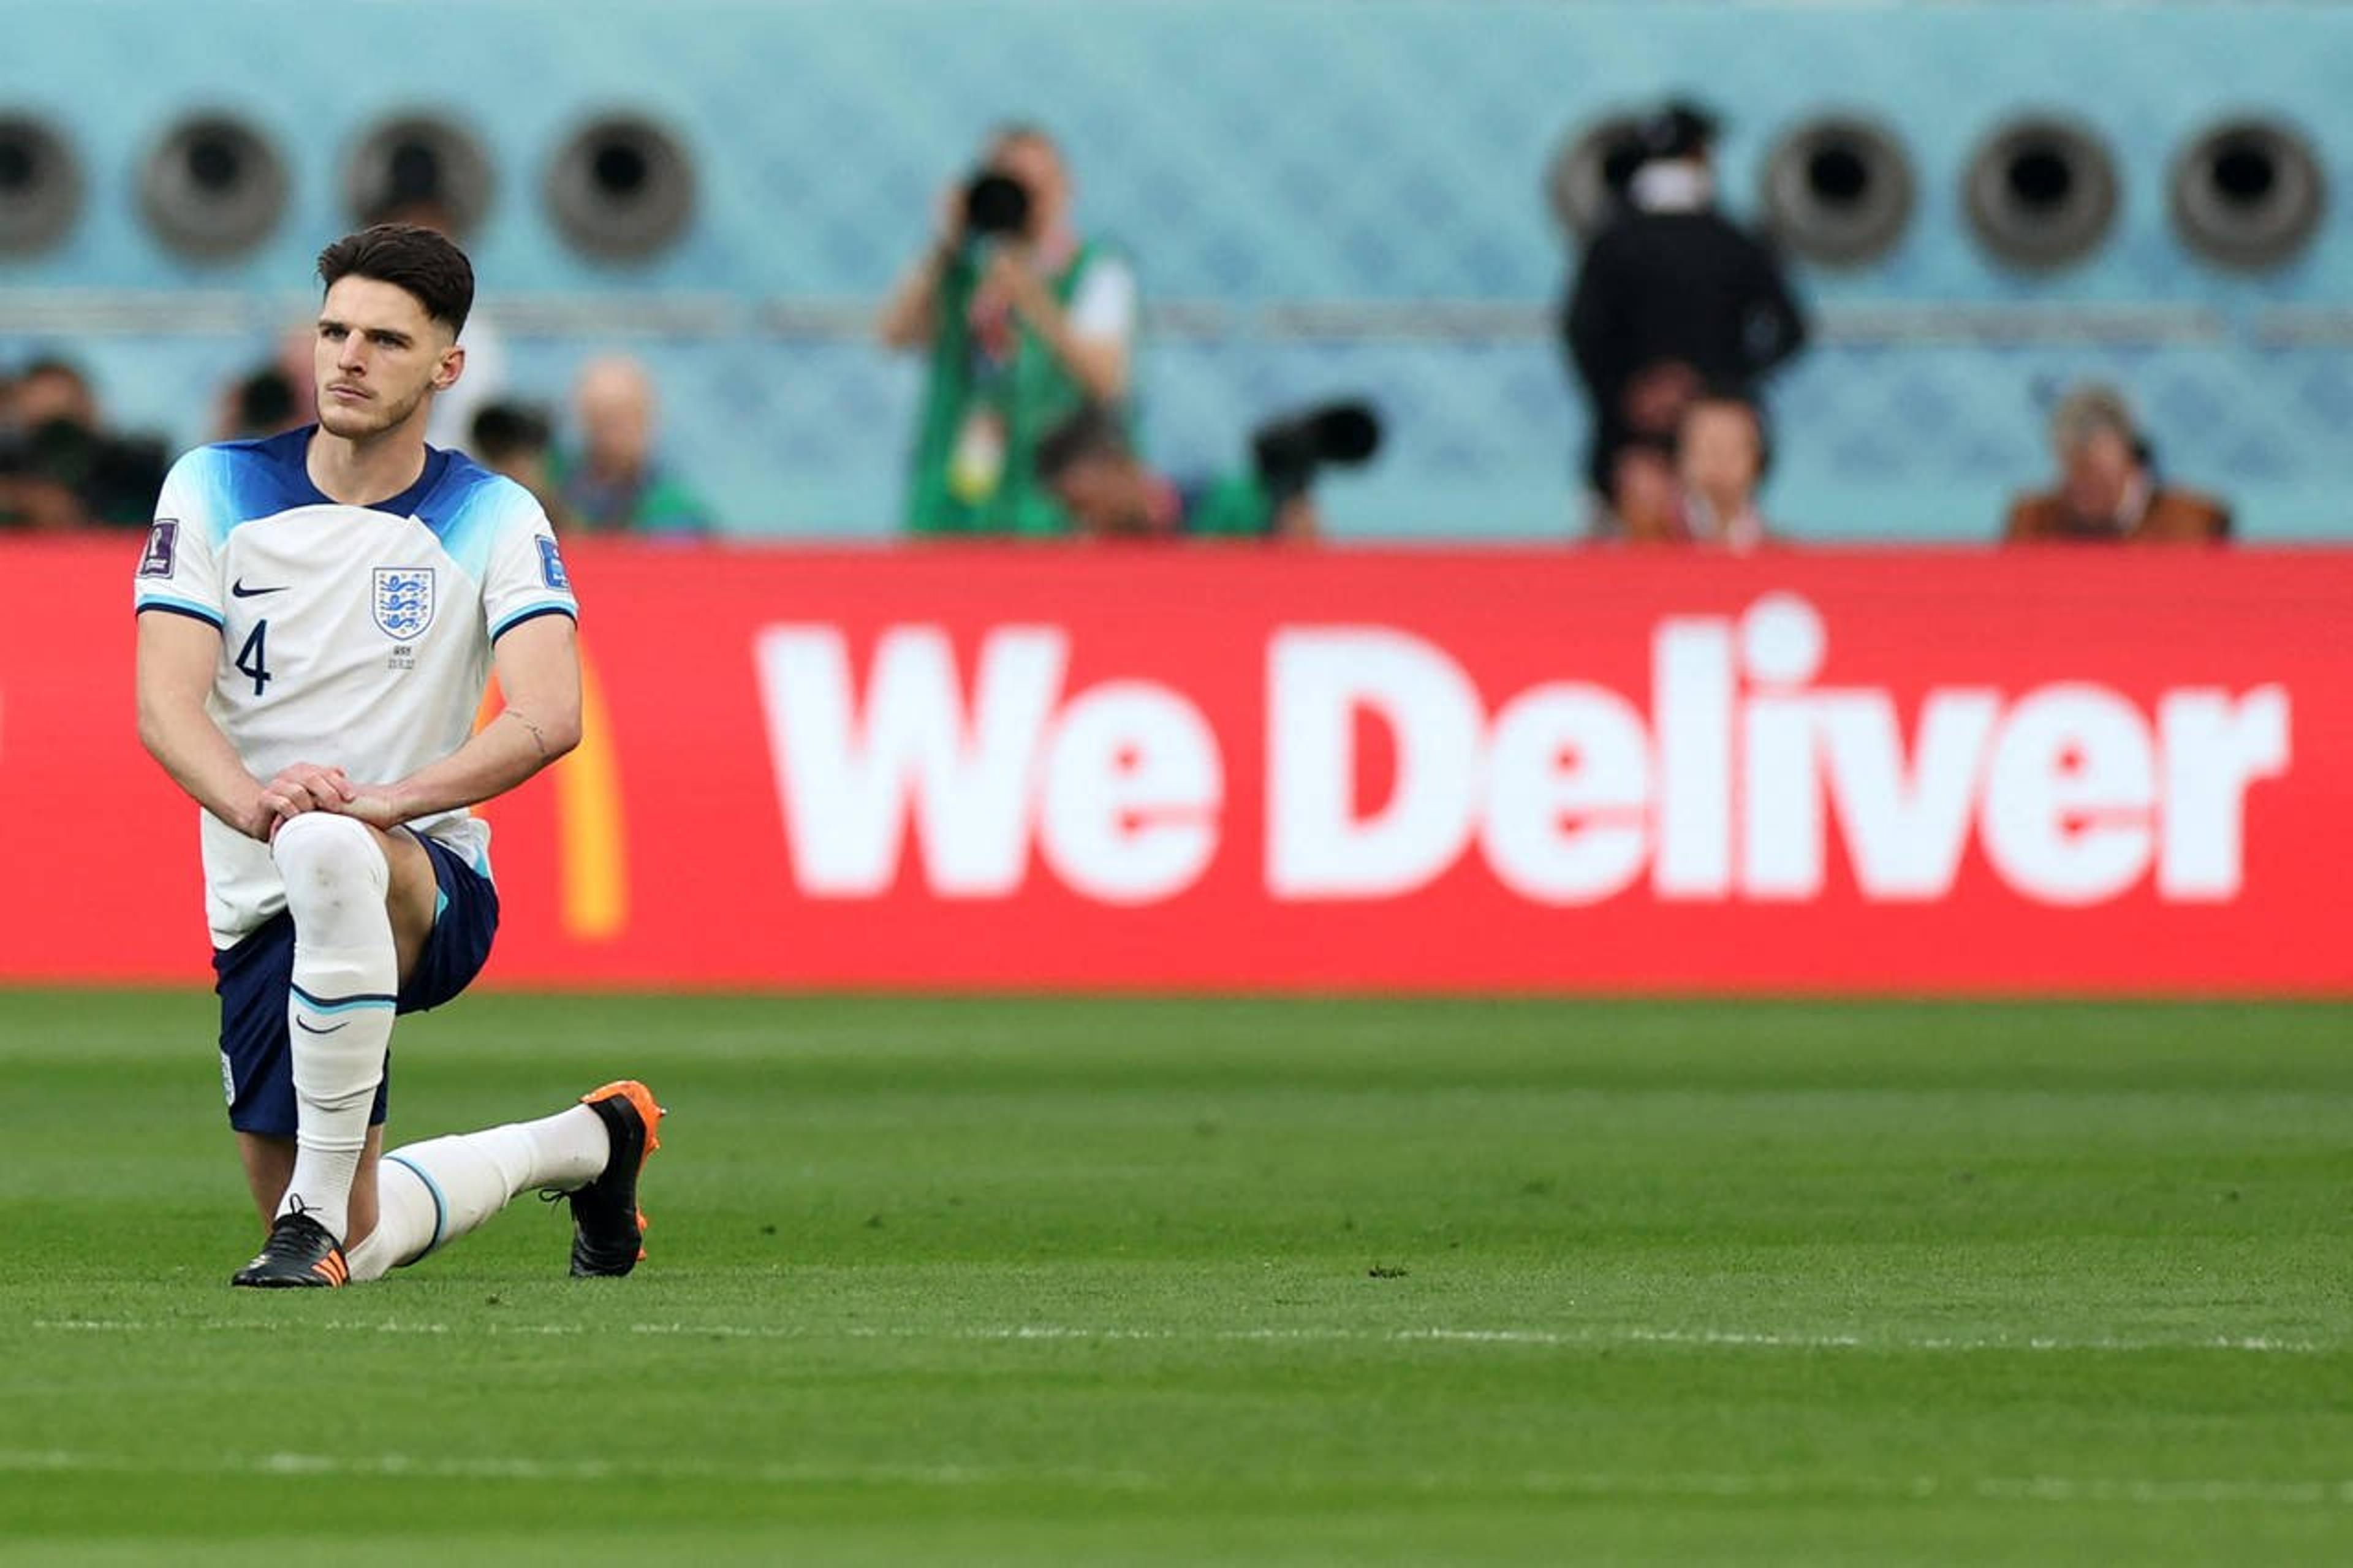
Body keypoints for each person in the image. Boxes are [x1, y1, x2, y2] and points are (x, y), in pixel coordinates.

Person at [132, 223, 664, 1290]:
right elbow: (163, 697)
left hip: (427, 879)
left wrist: (387, 804)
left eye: (384, 337)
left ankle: (305, 1224)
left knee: (333, 845)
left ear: (446, 365)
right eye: (334, 330)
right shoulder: (213, 484)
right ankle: (590, 1143)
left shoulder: (493, 513)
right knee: (364, 1241)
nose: (349, 357)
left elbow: (549, 714)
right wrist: (255, 802)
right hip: (257, 890)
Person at [878, 123, 1138, 536]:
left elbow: (1108, 381)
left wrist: (1033, 298)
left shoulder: (1095, 271)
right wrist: (945, 244)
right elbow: (891, 337)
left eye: (1035, 189)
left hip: (1051, 495)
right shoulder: (956, 268)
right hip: (953, 496)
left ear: (1064, 190)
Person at [1561, 100, 1807, 532]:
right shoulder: (1734, 240)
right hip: (1705, 434)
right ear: (1701, 156)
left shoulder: (1610, 243)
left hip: (1628, 440)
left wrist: (1629, 393)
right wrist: (1720, 388)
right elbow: (1790, 330)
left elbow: (1582, 332)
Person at [2003, 382, 2231, 543]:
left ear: (2132, 458)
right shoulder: (2033, 523)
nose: (2085, 485)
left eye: (2096, 471)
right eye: (2074, 470)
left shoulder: (2195, 524)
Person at [551, 355, 711, 535]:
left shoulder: (674, 510)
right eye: (600, 417)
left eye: (624, 416)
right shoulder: (554, 487)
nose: (611, 432)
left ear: (648, 419)